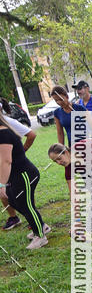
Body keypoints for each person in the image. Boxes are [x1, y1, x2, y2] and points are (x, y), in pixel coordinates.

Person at [0, 113, 48, 249]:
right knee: (14, 201)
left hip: (24, 174)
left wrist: (1, 184)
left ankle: (40, 236)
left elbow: (6, 161)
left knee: (25, 204)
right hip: (15, 176)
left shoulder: (3, 134)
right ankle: (41, 226)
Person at [0, 99, 37, 231]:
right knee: (14, 200)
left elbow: (31, 135)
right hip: (11, 170)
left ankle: (39, 227)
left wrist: (21, 152)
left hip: (21, 171)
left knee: (23, 201)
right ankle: (33, 221)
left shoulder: (5, 129)